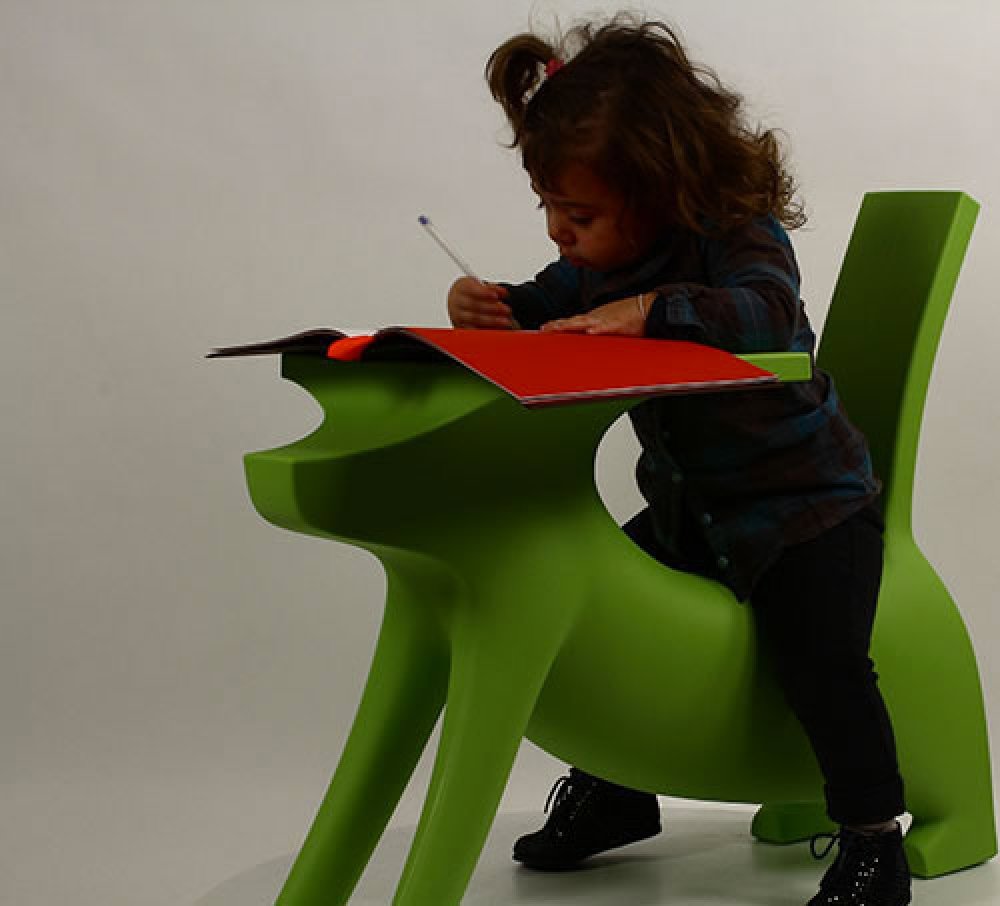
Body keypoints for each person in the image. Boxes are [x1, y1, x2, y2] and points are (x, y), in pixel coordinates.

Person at [445, 15, 911, 906]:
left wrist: (652, 310)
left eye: (579, 214)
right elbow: (541, 306)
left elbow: (769, 313)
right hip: (691, 510)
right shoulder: (594, 263)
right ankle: (620, 786)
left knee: (823, 661)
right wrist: (489, 305)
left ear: (658, 188)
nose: (559, 233)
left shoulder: (737, 234)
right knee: (596, 609)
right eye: (547, 208)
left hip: (807, 505)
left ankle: (872, 839)